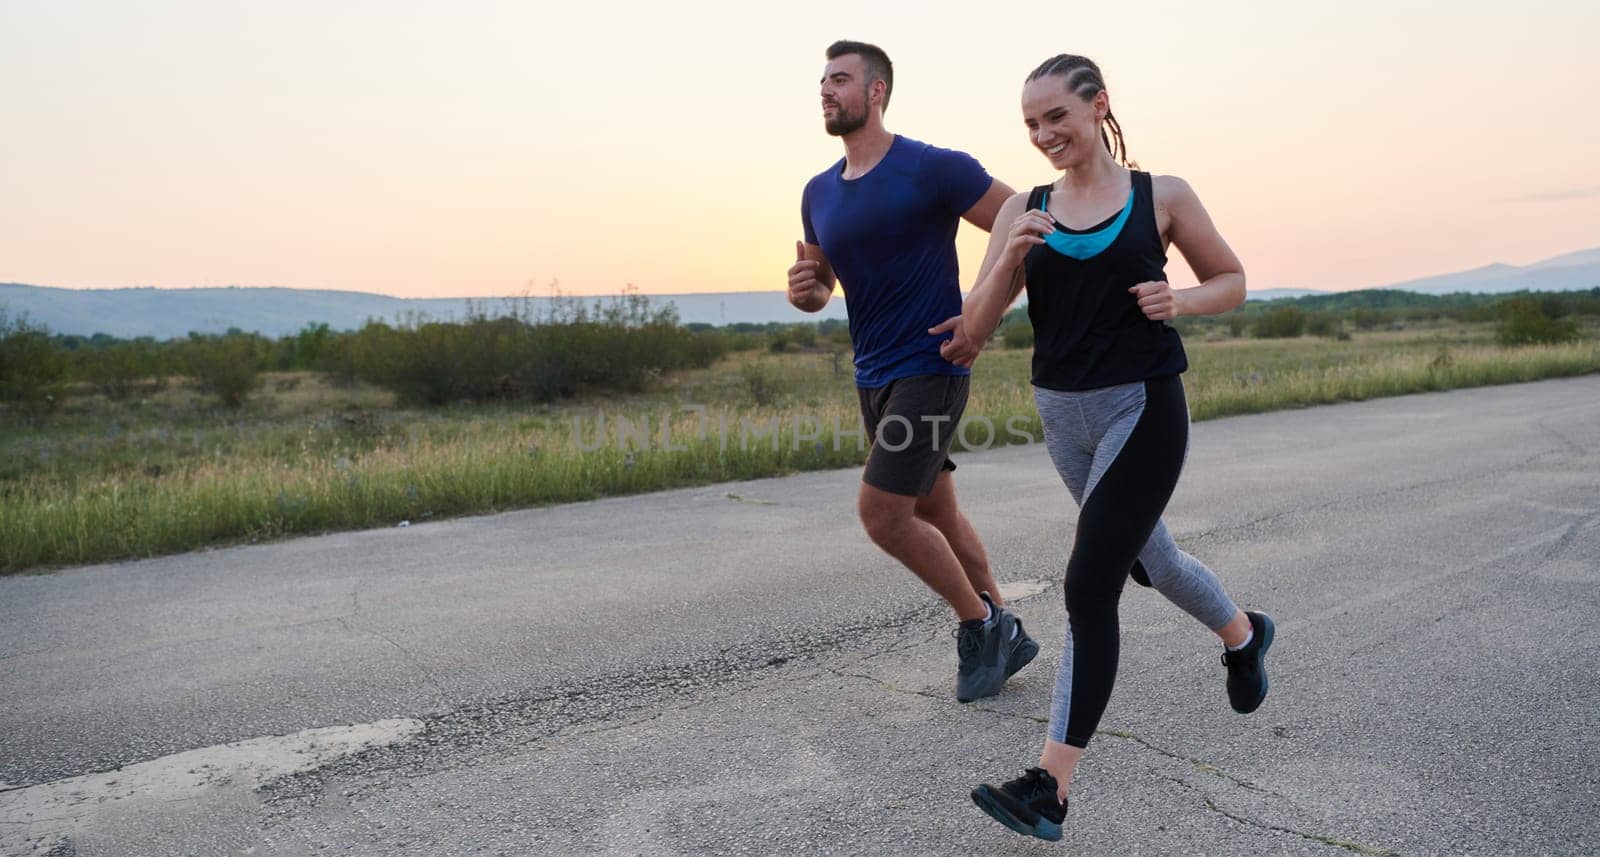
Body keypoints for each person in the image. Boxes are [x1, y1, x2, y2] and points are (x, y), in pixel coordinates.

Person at [933, 54, 1275, 841]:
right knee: (1153, 560)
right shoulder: (1026, 207)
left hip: (1143, 404)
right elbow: (971, 335)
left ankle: (1049, 786)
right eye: (1031, 124)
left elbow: (1233, 278)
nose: (1045, 134)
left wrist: (1183, 297)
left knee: (1091, 584)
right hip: (1064, 415)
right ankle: (1244, 634)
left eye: (1056, 116)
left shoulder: (1163, 196)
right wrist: (1010, 255)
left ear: (1098, 107)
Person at [787, 40, 1037, 702]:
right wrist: (805, 291)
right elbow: (820, 289)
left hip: (932, 363)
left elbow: (1024, 225)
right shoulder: (818, 193)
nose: (825, 89)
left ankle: (980, 622)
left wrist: (979, 312)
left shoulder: (932, 168)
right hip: (873, 375)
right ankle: (1001, 624)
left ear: (876, 92)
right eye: (822, 81)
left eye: (839, 79)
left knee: (883, 513)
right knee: (935, 510)